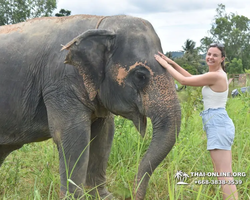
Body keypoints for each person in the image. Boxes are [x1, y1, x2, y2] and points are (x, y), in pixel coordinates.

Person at [154, 43, 238, 200]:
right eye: (209, 54)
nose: (210, 57)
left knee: (224, 174)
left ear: (222, 59)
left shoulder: (217, 75)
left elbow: (183, 81)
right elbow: (191, 78)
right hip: (216, 123)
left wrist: (165, 65)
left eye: (215, 55)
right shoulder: (215, 75)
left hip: (218, 124)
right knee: (222, 173)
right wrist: (172, 63)